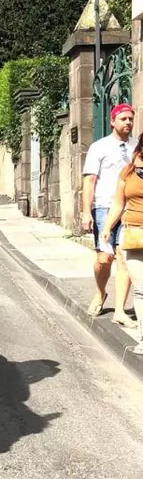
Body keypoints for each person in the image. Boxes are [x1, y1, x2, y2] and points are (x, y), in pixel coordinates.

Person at [81, 104, 135, 325]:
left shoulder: (137, 147)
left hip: (130, 209)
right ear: (113, 121)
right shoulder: (99, 147)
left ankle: (120, 310)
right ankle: (100, 292)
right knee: (104, 258)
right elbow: (89, 180)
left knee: (124, 259)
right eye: (123, 119)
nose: (128, 123)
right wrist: (86, 211)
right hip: (104, 206)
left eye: (130, 119)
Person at [101, 131, 143, 353]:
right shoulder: (127, 172)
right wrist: (107, 227)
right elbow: (118, 204)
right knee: (140, 288)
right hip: (135, 234)